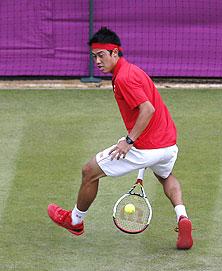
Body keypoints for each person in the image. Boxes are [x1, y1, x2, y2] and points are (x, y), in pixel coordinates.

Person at [47, 27, 193, 250]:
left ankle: (74, 221)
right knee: (166, 177)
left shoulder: (124, 78)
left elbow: (147, 109)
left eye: (102, 55)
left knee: (89, 172)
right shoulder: (133, 71)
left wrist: (129, 141)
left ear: (115, 53)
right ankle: (182, 217)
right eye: (94, 56)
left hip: (145, 146)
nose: (97, 61)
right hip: (168, 144)